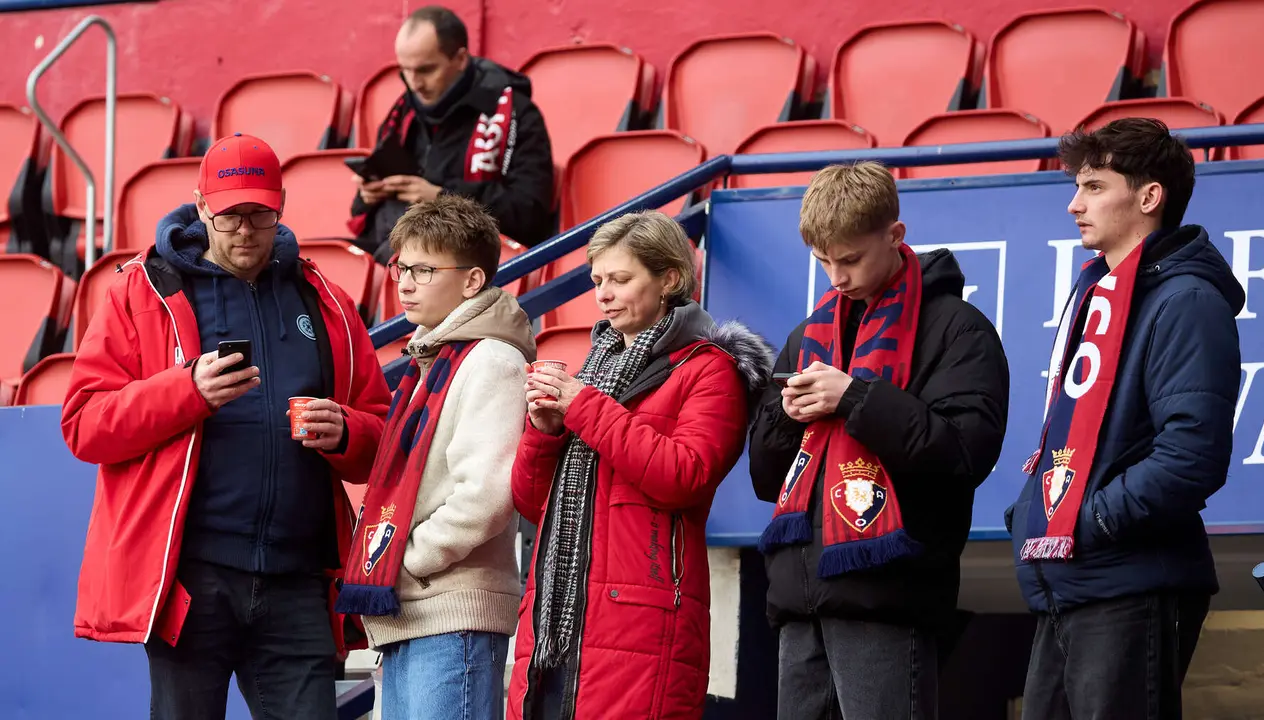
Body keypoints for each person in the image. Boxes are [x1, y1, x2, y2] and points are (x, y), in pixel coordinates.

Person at [61, 133, 392, 720]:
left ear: (281, 205)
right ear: (200, 204)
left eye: (259, 213)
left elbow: (382, 435)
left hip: (297, 579)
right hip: (192, 579)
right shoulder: (140, 292)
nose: (245, 229)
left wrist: (344, 431)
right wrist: (185, 392)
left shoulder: (327, 300)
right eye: (230, 214)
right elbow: (85, 425)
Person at [750, 161, 1010, 720]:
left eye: (850, 259)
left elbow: (965, 452)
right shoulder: (808, 334)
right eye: (822, 261)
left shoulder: (957, 328)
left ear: (895, 236)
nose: (836, 277)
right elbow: (766, 479)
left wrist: (856, 398)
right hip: (801, 599)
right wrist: (786, 419)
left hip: (890, 598)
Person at [1008, 118, 1244, 719]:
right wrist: (1033, 515)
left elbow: (1191, 454)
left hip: (1128, 582)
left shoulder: (1187, 300)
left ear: (1148, 196)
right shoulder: (1102, 293)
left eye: (1092, 187)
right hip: (1076, 583)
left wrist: (1088, 522)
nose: (1073, 204)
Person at [504, 210, 771, 719]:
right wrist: (542, 432)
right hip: (554, 624)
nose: (602, 294)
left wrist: (582, 408)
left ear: (670, 278)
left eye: (620, 279)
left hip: (641, 623)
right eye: (597, 280)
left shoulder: (710, 369)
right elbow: (532, 503)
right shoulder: (595, 367)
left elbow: (684, 474)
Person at [333, 195, 536, 719]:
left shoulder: (491, 359)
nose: (404, 282)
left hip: (451, 612)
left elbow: (487, 497)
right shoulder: (432, 358)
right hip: (414, 607)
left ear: (472, 281)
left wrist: (403, 559)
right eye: (401, 267)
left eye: (424, 270)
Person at [349, 5, 556, 262]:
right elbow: (360, 213)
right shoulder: (403, 112)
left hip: (468, 258)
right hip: (395, 247)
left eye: (426, 70)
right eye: (405, 70)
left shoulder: (516, 114)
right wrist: (367, 195)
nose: (414, 83)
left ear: (460, 59)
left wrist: (441, 197)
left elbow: (529, 214)